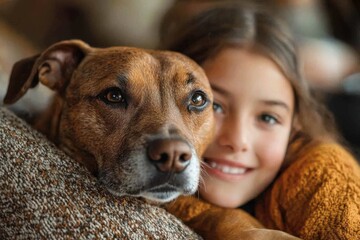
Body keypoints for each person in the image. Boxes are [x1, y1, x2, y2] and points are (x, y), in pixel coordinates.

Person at [159, 1, 360, 239]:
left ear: (295, 126)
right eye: (214, 105)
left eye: (268, 117)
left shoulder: (326, 176)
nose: (237, 140)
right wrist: (225, 223)